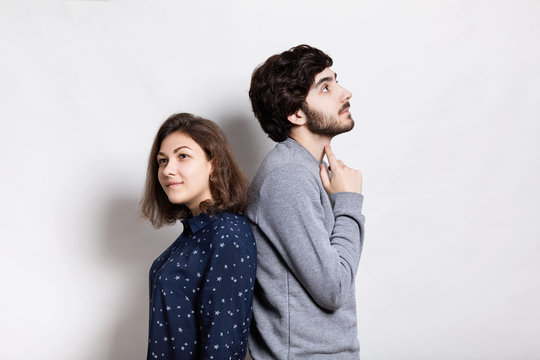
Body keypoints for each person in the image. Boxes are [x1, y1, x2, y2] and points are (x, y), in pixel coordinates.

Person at [246, 45, 365, 359]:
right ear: (296, 113)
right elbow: (333, 289)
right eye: (326, 87)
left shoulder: (309, 170)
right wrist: (349, 202)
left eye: (336, 81)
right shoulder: (288, 177)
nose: (345, 92)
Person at [140, 113, 257, 360]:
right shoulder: (194, 233)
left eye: (183, 156)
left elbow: (223, 344)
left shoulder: (227, 232)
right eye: (162, 161)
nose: (168, 170)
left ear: (212, 163)